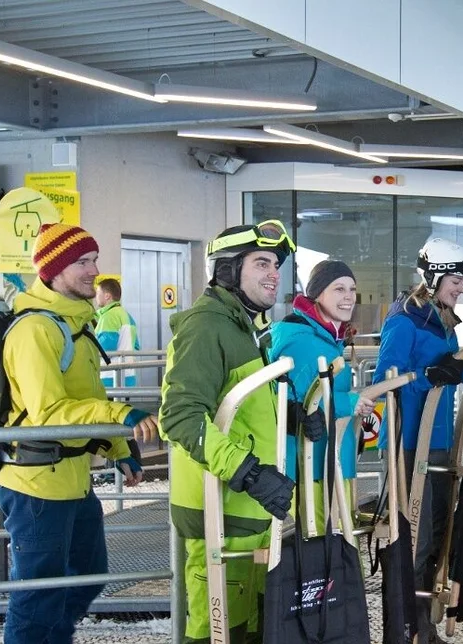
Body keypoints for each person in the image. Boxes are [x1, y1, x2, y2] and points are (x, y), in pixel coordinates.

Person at [0, 223, 155, 644]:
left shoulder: (76, 325)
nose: (94, 270)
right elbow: (50, 413)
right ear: (53, 269)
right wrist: (119, 415)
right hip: (35, 485)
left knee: (87, 577)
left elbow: (88, 395)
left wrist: (120, 447)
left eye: (94, 259)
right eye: (82, 262)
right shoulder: (35, 330)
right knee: (36, 600)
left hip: (73, 480)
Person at [161, 220, 302, 644]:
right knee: (216, 632)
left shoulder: (243, 327)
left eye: (276, 264)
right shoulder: (206, 327)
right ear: (226, 270)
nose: (274, 273)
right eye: (261, 263)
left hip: (245, 507)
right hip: (217, 509)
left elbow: (239, 406)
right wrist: (252, 473)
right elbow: (181, 417)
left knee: (250, 629)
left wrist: (292, 416)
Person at [375, 237, 463, 641]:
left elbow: (448, 369)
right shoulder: (404, 320)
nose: (461, 288)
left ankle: (421, 624)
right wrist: (424, 378)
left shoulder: (442, 321)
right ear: (435, 277)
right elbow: (383, 380)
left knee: (438, 534)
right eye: (456, 280)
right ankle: (407, 628)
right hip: (410, 444)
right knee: (415, 538)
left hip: (439, 442)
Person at [267, 260, 375, 523]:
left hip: (330, 462)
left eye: (352, 289)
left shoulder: (325, 338)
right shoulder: (303, 341)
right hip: (313, 467)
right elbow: (297, 403)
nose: (349, 296)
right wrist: (350, 403)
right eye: (339, 289)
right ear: (317, 294)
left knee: (338, 544)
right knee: (324, 544)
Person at [94, 276, 141, 387]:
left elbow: (106, 346)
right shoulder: (127, 316)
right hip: (128, 376)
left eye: (97, 293)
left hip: (109, 376)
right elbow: (137, 346)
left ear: (107, 296)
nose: (95, 296)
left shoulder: (108, 316)